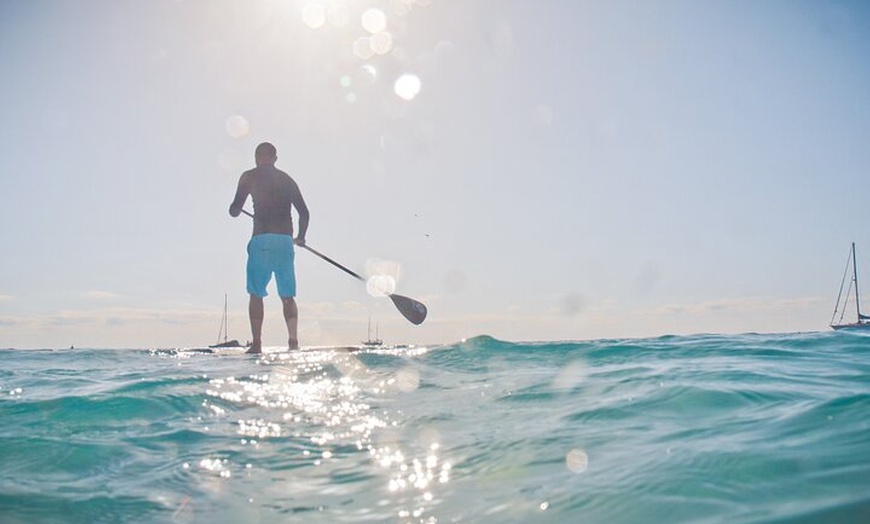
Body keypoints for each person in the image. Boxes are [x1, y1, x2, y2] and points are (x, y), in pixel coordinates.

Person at [229, 142, 309, 353]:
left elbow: (235, 209)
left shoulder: (249, 176)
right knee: (287, 296)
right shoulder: (286, 179)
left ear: (256, 157)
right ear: (275, 158)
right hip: (284, 241)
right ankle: (293, 342)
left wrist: (235, 209)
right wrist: (301, 237)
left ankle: (257, 344)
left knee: (256, 294)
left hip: (261, 240)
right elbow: (305, 213)